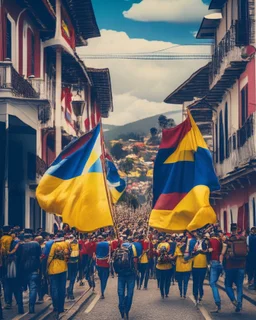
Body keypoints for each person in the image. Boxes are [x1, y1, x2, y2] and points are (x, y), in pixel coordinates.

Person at [222, 223, 247, 312]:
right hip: (241, 265)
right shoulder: (243, 239)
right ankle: (239, 303)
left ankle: (234, 300)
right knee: (239, 286)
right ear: (237, 229)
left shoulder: (228, 240)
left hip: (230, 266)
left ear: (231, 229)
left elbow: (223, 253)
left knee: (228, 285)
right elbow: (247, 251)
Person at [47, 231, 70, 318]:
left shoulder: (54, 245)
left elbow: (50, 256)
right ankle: (61, 307)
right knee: (62, 288)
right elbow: (68, 255)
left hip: (53, 269)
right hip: (64, 268)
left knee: (54, 288)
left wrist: (47, 266)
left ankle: (55, 306)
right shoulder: (66, 244)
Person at [113, 239, 138, 319]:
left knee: (120, 293)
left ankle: (121, 308)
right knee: (130, 294)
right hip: (131, 274)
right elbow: (135, 260)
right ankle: (126, 310)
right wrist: (136, 271)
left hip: (121, 274)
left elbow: (114, 261)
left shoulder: (118, 248)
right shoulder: (132, 247)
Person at [17, 233, 41, 314]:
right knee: (33, 288)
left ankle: (20, 308)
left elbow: (18, 258)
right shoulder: (36, 244)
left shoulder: (20, 246)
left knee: (20, 289)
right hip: (34, 269)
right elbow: (39, 255)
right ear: (31, 238)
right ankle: (31, 308)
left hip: (22, 270)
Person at [208, 229, 224, 313]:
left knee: (212, 283)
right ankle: (236, 301)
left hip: (214, 262)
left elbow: (210, 251)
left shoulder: (210, 241)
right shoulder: (220, 241)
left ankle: (218, 303)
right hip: (221, 262)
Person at [192, 231, 209, 306]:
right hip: (195, 264)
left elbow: (207, 251)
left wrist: (203, 251)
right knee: (195, 281)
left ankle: (200, 294)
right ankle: (195, 295)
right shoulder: (195, 243)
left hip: (202, 264)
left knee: (200, 281)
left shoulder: (205, 242)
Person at [95, 234, 111, 299]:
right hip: (106, 263)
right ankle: (102, 291)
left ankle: (102, 291)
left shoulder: (96, 244)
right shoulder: (108, 244)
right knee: (104, 279)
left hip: (99, 263)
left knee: (101, 278)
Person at [66, 235, 79, 300]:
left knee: (69, 277)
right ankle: (70, 290)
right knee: (73, 278)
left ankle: (69, 290)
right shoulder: (77, 243)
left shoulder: (66, 243)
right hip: (75, 262)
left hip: (68, 263)